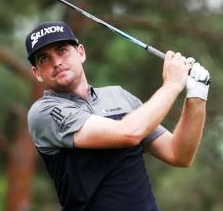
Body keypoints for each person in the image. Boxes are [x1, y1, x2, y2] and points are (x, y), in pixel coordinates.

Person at [24, 21, 210, 211]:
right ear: (37, 73)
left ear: (81, 52)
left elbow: (178, 154)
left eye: (62, 50)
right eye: (44, 59)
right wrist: (172, 85)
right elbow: (128, 133)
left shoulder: (119, 96)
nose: (56, 62)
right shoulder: (43, 113)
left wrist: (197, 95)